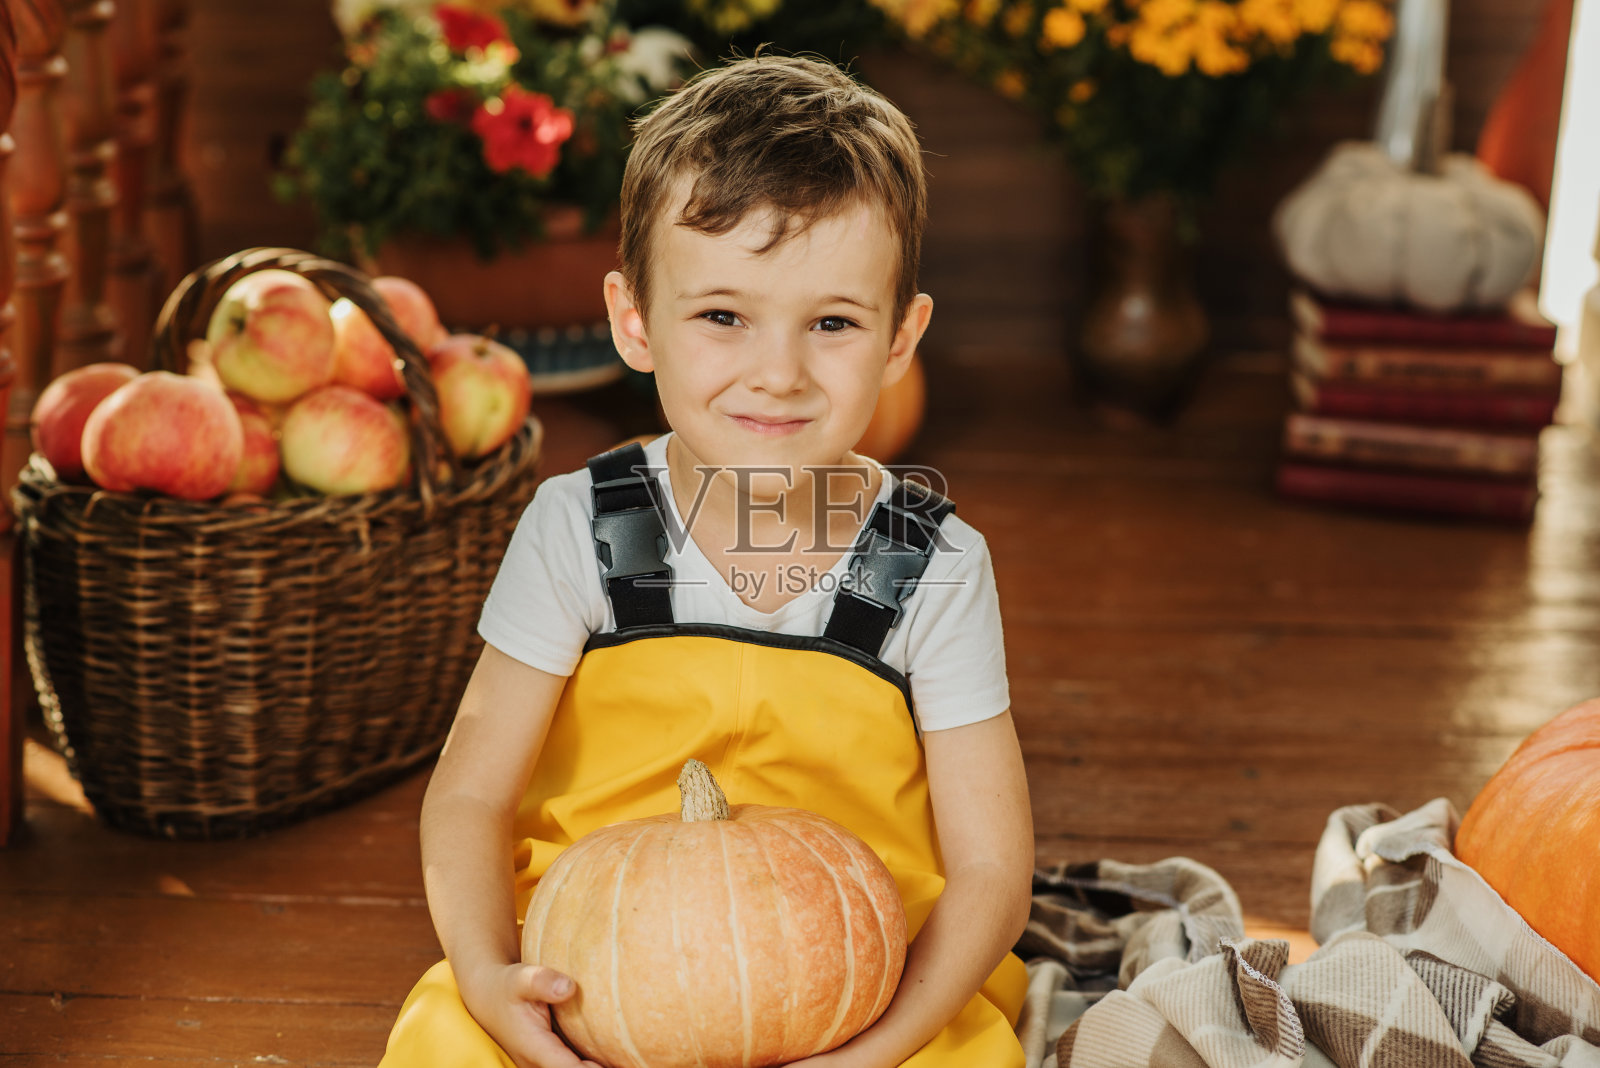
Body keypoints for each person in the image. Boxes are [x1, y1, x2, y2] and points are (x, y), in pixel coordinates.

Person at [380, 52, 1034, 1068]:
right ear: (634, 319)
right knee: (447, 1042)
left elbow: (992, 868)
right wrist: (484, 971)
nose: (777, 372)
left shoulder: (927, 558)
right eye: (723, 315)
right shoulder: (582, 526)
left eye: (831, 323)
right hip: (594, 977)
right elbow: (468, 794)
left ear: (902, 338)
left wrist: (876, 1049)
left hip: (864, 986)